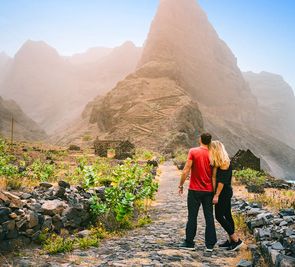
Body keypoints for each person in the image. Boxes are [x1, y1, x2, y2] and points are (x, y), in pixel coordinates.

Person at [178, 133, 217, 252]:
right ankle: (210, 245)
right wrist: (214, 193)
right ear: (210, 141)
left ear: (200, 140)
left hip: (194, 190)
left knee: (192, 217)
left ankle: (189, 243)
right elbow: (214, 176)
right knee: (209, 217)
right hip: (209, 191)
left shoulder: (193, 151)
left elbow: (186, 170)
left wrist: (181, 185)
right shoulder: (213, 154)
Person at [210, 140, 243, 251]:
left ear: (216, 149)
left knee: (219, 216)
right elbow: (214, 177)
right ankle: (230, 241)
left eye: (211, 149)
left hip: (223, 192)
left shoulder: (224, 162)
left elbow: (221, 182)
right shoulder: (219, 162)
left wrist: (216, 195)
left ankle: (236, 240)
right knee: (228, 215)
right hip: (223, 191)